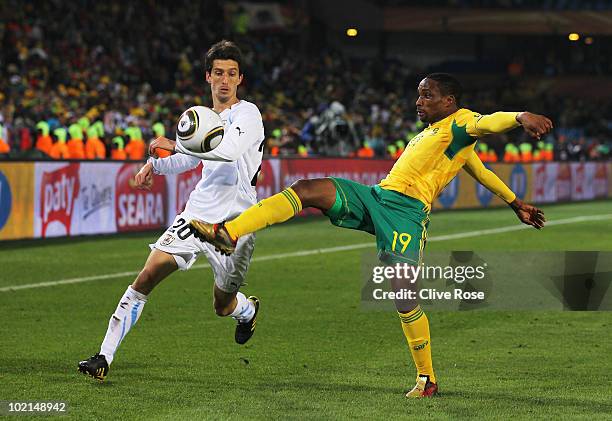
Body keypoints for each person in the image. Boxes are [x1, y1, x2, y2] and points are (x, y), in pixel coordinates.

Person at [188, 73, 550, 398]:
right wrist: (516, 202)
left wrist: (520, 117)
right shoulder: (438, 134)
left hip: (406, 216)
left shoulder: (462, 122)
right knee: (310, 188)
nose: (419, 102)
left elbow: (489, 125)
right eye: (419, 95)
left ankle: (427, 378)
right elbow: (481, 171)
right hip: (378, 197)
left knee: (403, 296)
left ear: (449, 101)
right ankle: (229, 232)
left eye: (427, 96)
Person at [78, 40, 265, 381]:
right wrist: (155, 165)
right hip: (197, 214)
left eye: (232, 74)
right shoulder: (204, 117)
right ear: (208, 76)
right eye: (219, 73)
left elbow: (229, 150)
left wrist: (174, 142)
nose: (225, 80)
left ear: (241, 79)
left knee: (222, 305)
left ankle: (247, 310)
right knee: (147, 275)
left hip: (236, 225)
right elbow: (193, 158)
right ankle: (103, 355)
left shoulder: (248, 114)